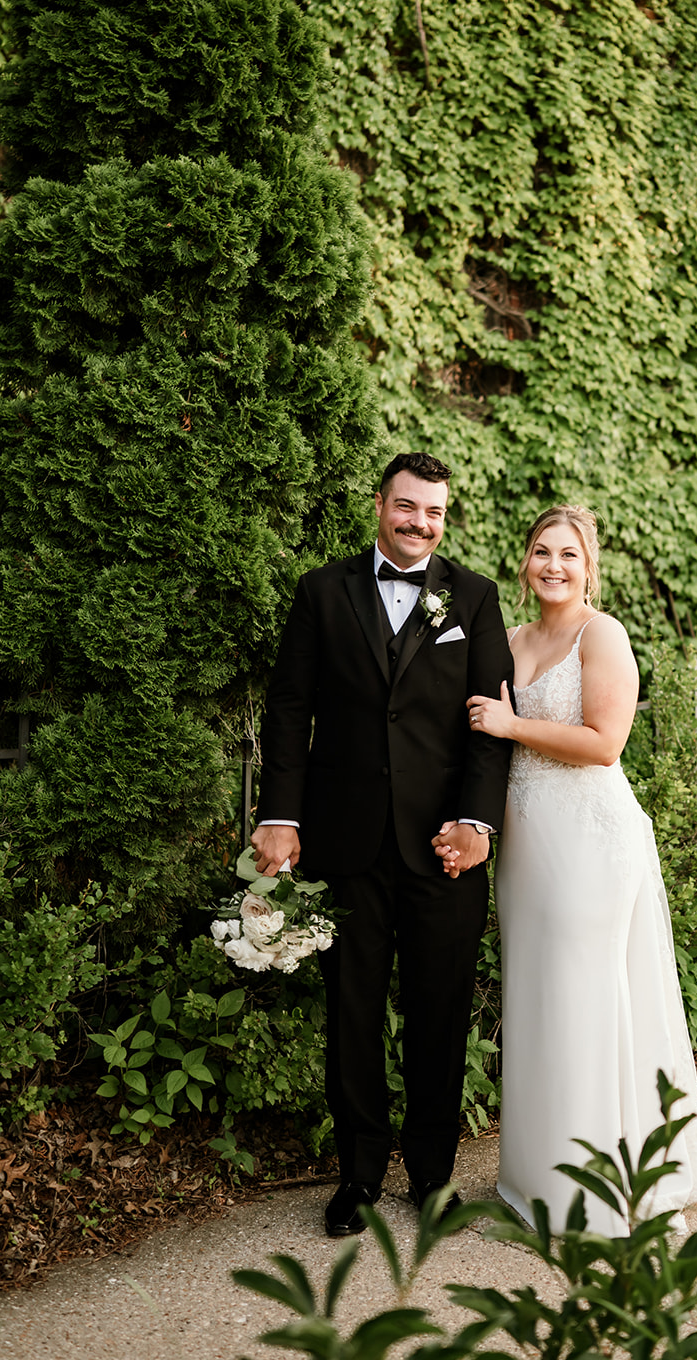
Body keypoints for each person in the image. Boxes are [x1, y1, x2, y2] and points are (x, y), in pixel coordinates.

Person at [252, 452, 513, 1237]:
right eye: (406, 508)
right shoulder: (321, 591)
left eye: (433, 513)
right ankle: (357, 1177)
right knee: (351, 1013)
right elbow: (290, 709)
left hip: (444, 849)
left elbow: (491, 724)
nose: (419, 524)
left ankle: (432, 1175)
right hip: (346, 841)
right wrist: (281, 815)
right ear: (379, 505)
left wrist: (478, 823)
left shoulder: (474, 597)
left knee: (439, 1014)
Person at [465, 505, 697, 1234]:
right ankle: (538, 1178)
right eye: (541, 551)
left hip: (587, 840)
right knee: (540, 998)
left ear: (588, 567)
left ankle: (602, 1189)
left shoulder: (600, 634)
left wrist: (512, 725)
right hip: (526, 848)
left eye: (567, 555)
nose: (552, 565)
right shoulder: (509, 639)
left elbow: (605, 742)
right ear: (524, 561)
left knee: (585, 999)